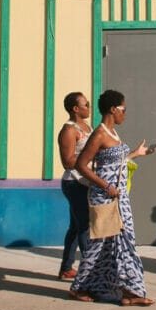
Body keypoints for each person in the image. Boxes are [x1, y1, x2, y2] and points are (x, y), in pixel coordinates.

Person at [69, 89, 155, 305]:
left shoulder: (113, 133)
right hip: (105, 197)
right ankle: (84, 288)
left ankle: (126, 291)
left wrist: (137, 154)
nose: (125, 114)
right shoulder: (99, 134)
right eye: (123, 110)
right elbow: (80, 165)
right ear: (112, 109)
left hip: (119, 198)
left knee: (118, 243)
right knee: (104, 243)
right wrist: (106, 186)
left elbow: (116, 161)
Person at [57, 91, 92, 280]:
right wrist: (88, 157)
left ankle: (66, 268)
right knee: (85, 226)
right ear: (75, 109)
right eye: (85, 104)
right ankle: (89, 272)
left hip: (86, 181)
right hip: (74, 182)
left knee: (75, 226)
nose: (89, 107)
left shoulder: (87, 126)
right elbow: (67, 161)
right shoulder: (69, 130)